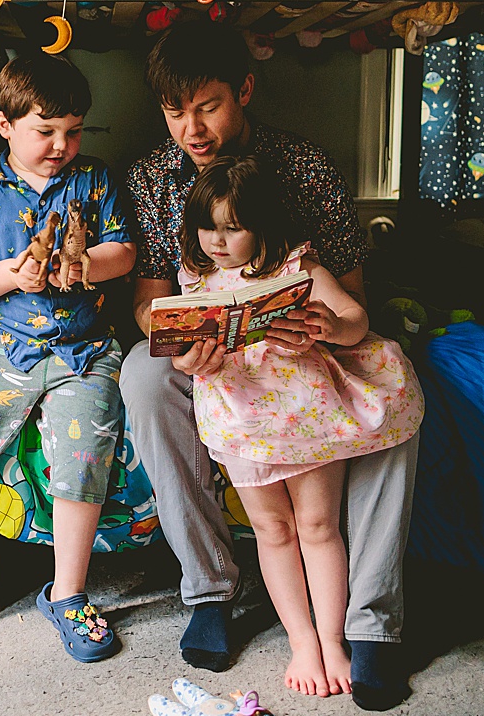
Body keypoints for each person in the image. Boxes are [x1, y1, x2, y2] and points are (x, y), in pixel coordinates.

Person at [121, 19, 420, 711]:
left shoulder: (303, 165)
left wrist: (324, 331)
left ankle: (367, 623)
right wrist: (181, 342)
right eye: (175, 113)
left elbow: (350, 296)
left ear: (245, 90)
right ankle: (211, 590)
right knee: (141, 373)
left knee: (393, 374)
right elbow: (149, 303)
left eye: (208, 107)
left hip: (303, 351)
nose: (192, 129)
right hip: (215, 356)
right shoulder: (149, 177)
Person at [178, 156, 422, 698]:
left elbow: (355, 319)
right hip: (240, 418)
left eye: (232, 228)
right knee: (272, 531)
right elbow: (179, 353)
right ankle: (302, 640)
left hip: (303, 416)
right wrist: (194, 361)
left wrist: (331, 326)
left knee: (317, 527)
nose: (216, 241)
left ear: (262, 225)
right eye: (207, 227)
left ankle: (334, 641)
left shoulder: (301, 269)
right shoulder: (196, 281)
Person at [0, 55, 136, 661]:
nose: (61, 145)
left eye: (73, 130)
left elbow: (125, 251)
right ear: (5, 124)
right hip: (5, 341)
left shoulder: (95, 180)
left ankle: (67, 593)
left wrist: (86, 263)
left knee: (83, 450)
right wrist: (14, 275)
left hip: (86, 345)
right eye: (46, 131)